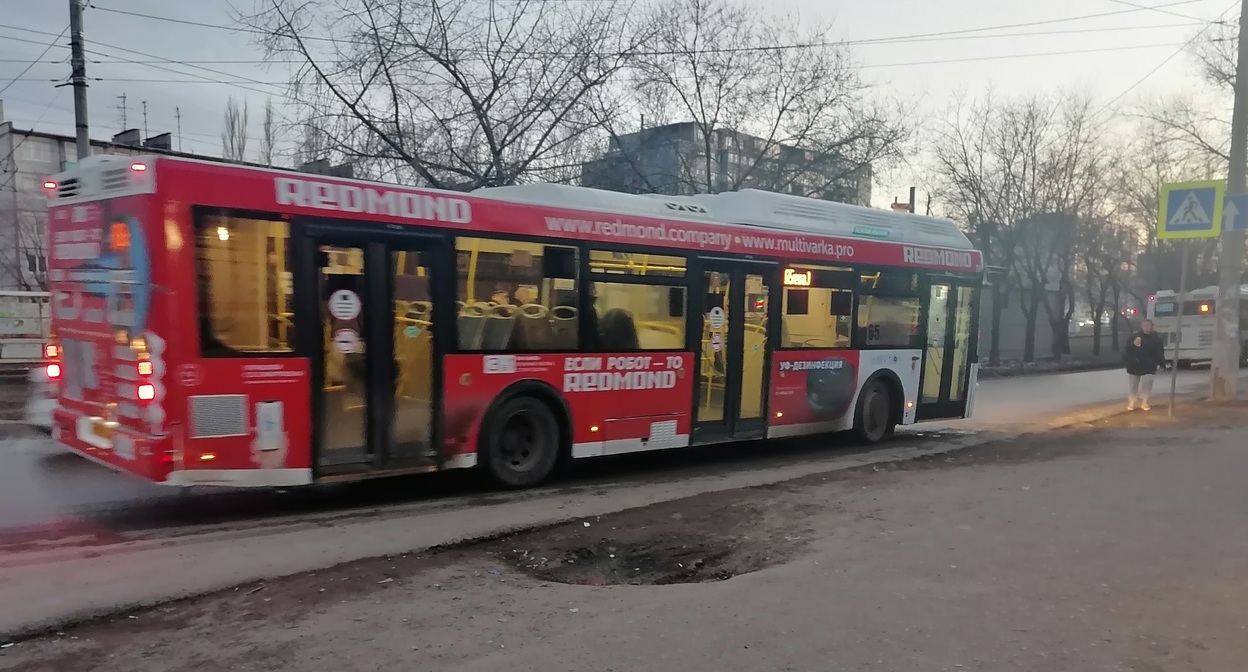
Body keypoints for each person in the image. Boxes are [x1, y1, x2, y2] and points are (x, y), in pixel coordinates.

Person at [1123, 319, 1167, 411]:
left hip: (1149, 365)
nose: (1146, 327)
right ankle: (1132, 401)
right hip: (1135, 364)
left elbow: (1159, 352)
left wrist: (1162, 363)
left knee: (1148, 382)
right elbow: (1127, 349)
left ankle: (1145, 401)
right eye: (1144, 325)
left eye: (1148, 325)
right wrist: (1134, 345)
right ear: (1141, 327)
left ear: (1152, 327)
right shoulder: (1135, 337)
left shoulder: (1156, 339)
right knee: (1133, 384)